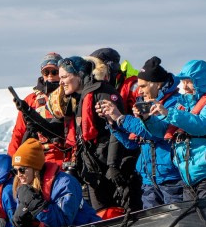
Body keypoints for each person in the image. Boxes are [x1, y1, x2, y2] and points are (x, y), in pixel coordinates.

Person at [52, 55, 140, 218]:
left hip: (110, 169)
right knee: (101, 214)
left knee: (115, 212)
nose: (60, 82)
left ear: (78, 74)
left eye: (64, 77)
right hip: (94, 169)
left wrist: (113, 165)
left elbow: (115, 129)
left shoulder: (102, 93)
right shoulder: (82, 98)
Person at [95, 56, 185, 209]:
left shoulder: (176, 104)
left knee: (177, 223)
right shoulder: (144, 105)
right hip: (148, 180)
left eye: (143, 86)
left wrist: (120, 117)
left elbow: (156, 133)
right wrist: (112, 122)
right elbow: (132, 143)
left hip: (172, 179)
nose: (139, 90)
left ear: (157, 84)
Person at [152, 59, 206, 200]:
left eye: (188, 82)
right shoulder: (183, 107)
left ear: (200, 81)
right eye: (183, 82)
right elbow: (163, 131)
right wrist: (146, 119)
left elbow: (200, 125)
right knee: (192, 220)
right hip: (191, 178)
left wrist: (169, 113)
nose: (184, 87)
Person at [1, 138, 99, 227]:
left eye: (22, 170)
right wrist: (23, 223)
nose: (18, 175)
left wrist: (37, 206)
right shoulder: (24, 188)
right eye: (15, 171)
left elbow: (63, 222)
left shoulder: (65, 183)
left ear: (35, 169)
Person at [7, 52, 68, 164]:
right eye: (46, 72)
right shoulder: (31, 100)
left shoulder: (68, 96)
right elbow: (18, 133)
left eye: (54, 72)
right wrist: (10, 161)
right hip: (37, 157)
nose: (50, 75)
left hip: (63, 154)